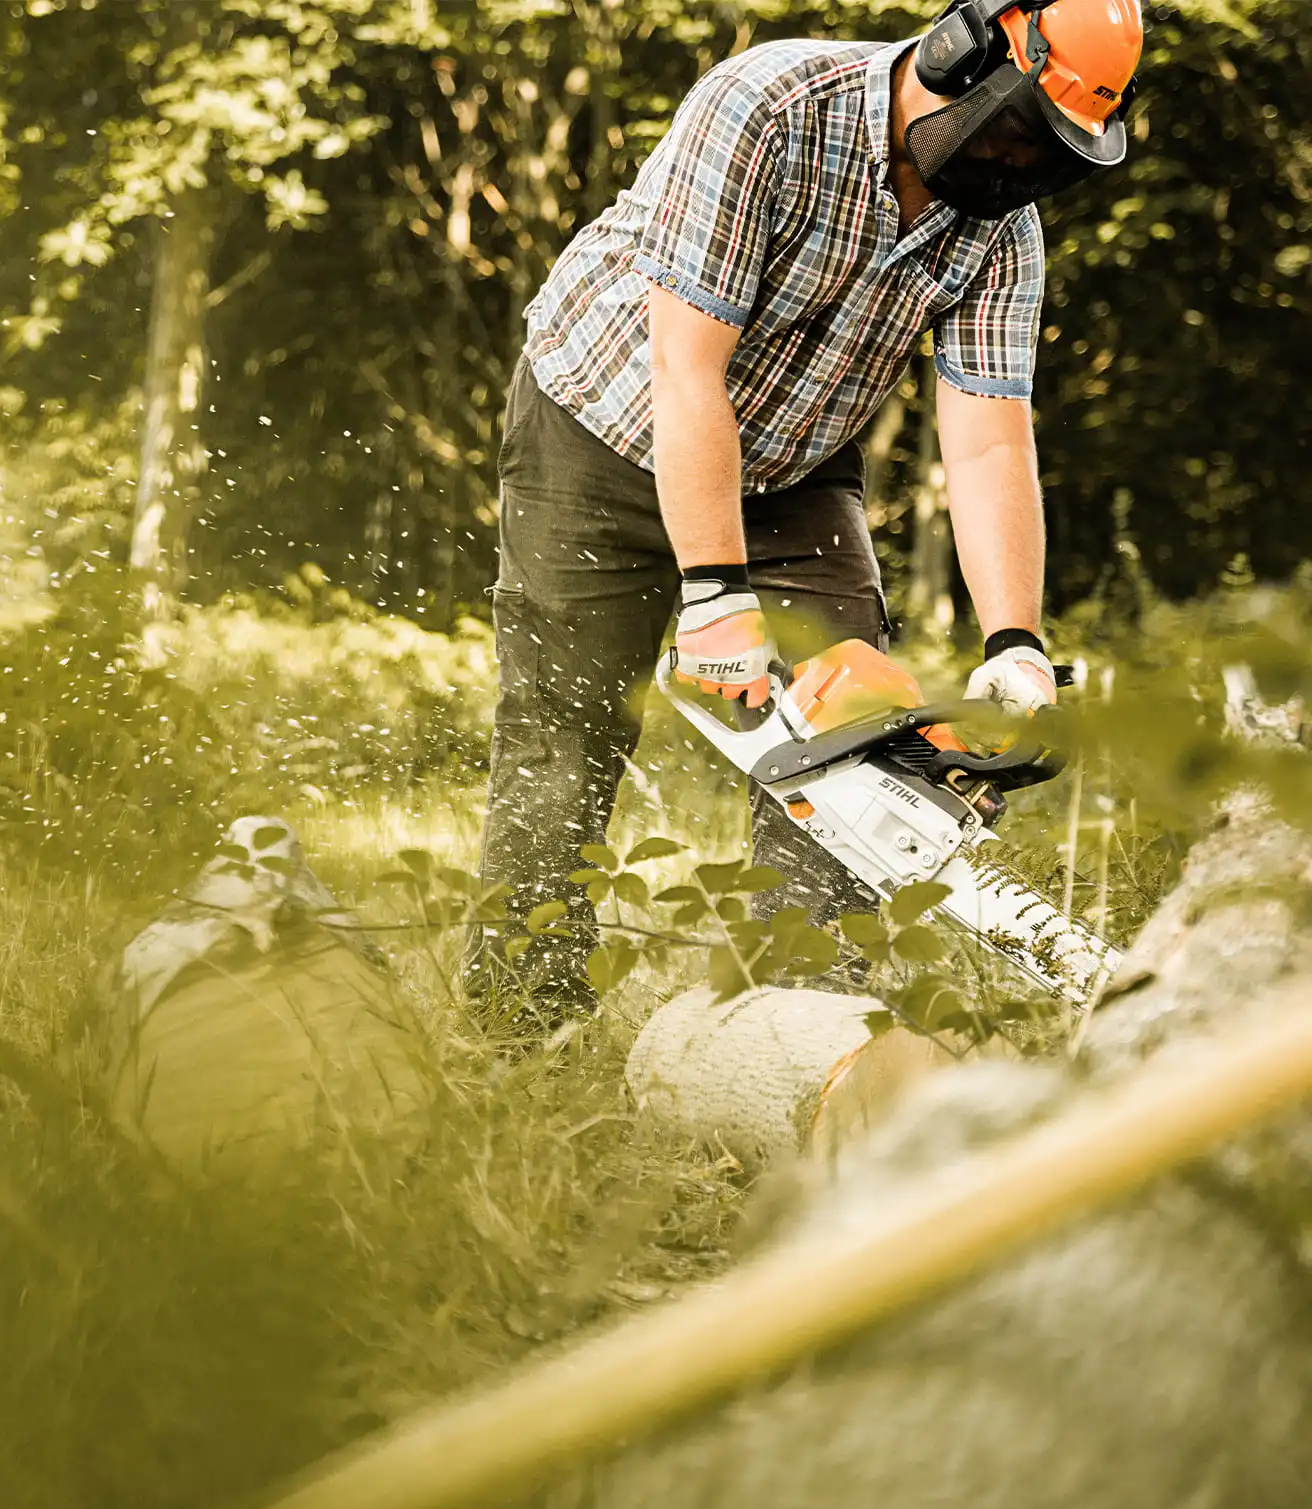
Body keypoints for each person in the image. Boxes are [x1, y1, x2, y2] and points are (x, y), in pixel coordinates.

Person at [468, 0, 1145, 1017]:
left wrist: (1016, 643)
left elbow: (991, 431)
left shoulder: (1001, 232)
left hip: (793, 463)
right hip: (601, 425)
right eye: (1012, 130)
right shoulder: (772, 105)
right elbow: (685, 368)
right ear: (962, 58)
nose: (1016, 167)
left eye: (1045, 153)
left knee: (853, 732)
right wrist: (712, 598)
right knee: (564, 735)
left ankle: (794, 1024)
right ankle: (520, 1034)